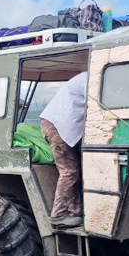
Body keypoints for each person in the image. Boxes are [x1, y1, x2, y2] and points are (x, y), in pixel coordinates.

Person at [39, 71, 89, 228]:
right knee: (69, 171)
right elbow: (98, 106)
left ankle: (75, 212)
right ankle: (59, 214)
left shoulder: (83, 77)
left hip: (58, 126)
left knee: (74, 170)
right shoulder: (90, 78)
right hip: (58, 127)